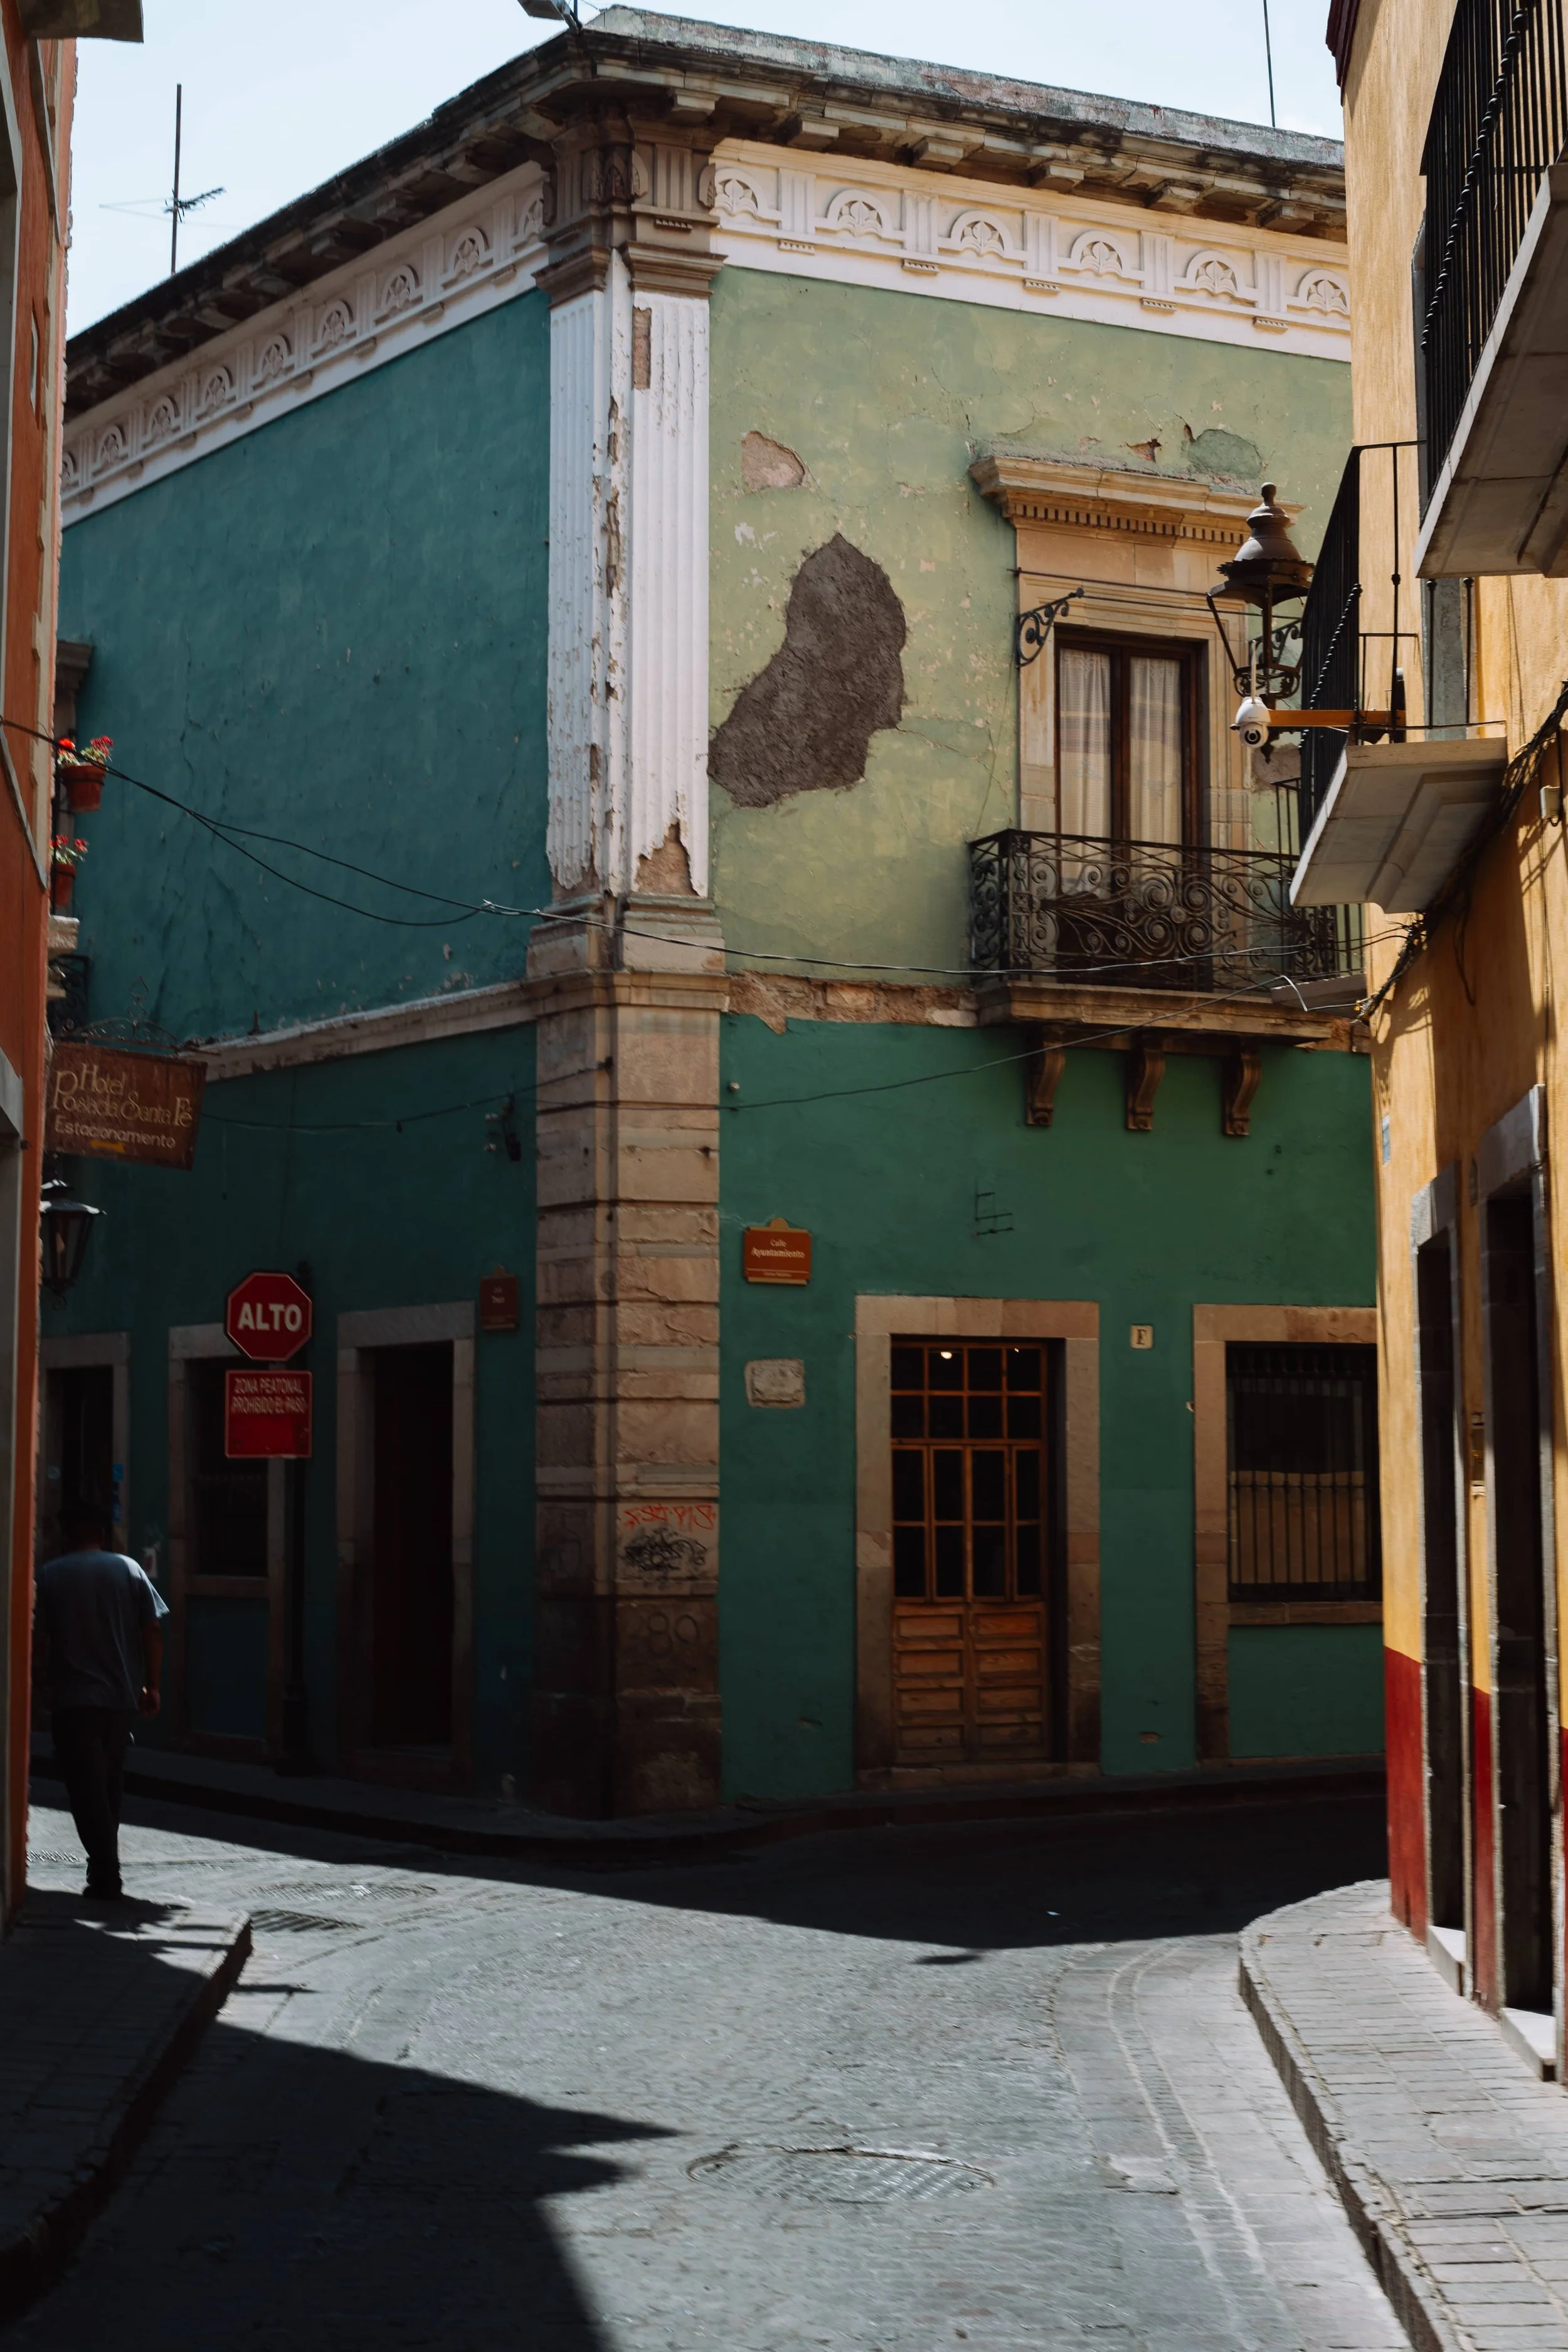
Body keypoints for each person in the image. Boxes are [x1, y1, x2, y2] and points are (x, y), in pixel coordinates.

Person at [34, 1501, 167, 1902]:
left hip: (73, 1700)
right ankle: (104, 1866)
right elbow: (152, 1629)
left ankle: (106, 1871)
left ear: (66, 1537)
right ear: (104, 1536)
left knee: (84, 1786)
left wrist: (39, 1683)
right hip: (119, 1699)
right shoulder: (130, 1569)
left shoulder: (50, 1575)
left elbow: (39, 1639)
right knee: (109, 1782)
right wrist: (152, 1686)